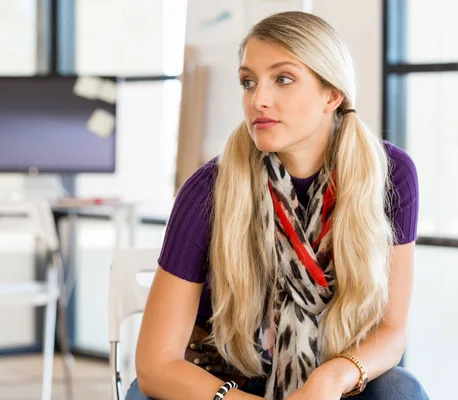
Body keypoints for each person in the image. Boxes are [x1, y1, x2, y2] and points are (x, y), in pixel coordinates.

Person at [128, 11, 429, 400]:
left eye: (283, 79)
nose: (258, 99)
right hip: (222, 379)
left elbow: (391, 331)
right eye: (248, 82)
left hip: (327, 376)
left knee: (401, 390)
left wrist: (330, 379)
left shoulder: (389, 175)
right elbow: (156, 363)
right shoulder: (208, 190)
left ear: (332, 94)